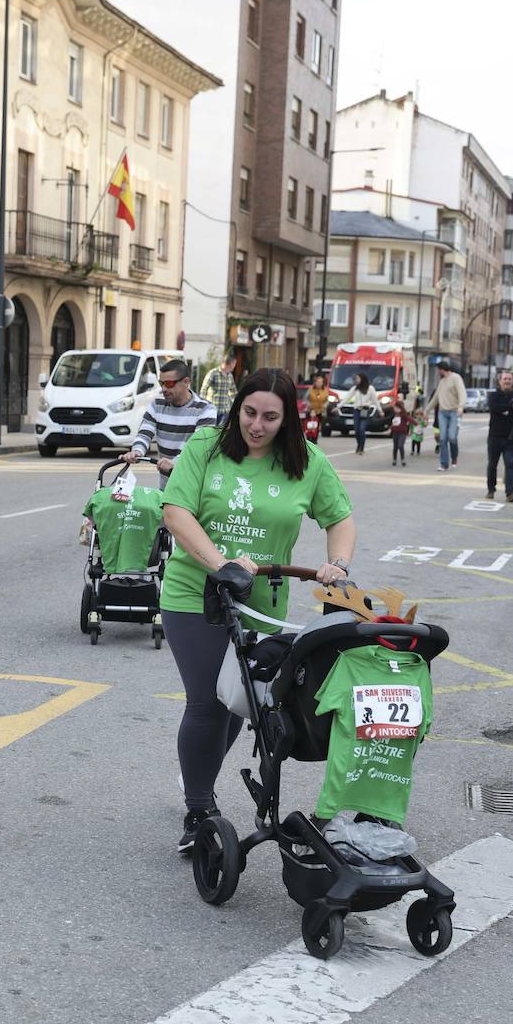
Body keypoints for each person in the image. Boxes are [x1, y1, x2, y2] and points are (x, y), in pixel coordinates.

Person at [160, 368, 355, 852]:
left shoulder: (305, 462)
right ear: (237, 408)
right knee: (207, 700)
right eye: (250, 412)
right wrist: (222, 563)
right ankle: (199, 809)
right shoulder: (206, 446)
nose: (257, 425)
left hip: (262, 605)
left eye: (270, 416)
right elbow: (176, 512)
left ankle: (196, 777)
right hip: (195, 593)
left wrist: (338, 563)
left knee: (238, 704)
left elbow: (341, 519)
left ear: (288, 418)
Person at [120, 358, 216, 489]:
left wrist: (174, 463)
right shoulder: (157, 405)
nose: (164, 389)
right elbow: (144, 433)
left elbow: (199, 446)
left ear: (186, 382)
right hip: (166, 486)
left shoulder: (205, 409)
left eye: (169, 384)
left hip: (194, 486)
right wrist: (137, 451)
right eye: (161, 383)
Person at [486, 369, 513, 503]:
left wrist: (507, 409)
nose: (507, 381)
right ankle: (491, 489)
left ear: (512, 381)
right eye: (505, 379)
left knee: (510, 464)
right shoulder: (493, 396)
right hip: (495, 436)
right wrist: (510, 407)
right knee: (492, 464)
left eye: (509, 379)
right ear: (500, 381)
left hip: (510, 438)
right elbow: (494, 408)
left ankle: (510, 492)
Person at [426, 360, 465, 471]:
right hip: (442, 413)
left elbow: (462, 393)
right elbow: (435, 398)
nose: (438, 372)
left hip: (454, 412)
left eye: (438, 370)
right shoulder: (442, 382)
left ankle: (454, 457)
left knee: (452, 437)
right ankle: (444, 464)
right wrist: (426, 411)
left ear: (442, 369)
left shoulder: (456, 378)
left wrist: (461, 406)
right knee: (442, 439)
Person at [344, 373, 378, 453]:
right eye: (356, 379)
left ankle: (362, 447)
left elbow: (375, 400)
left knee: (362, 429)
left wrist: (380, 410)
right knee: (356, 430)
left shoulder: (370, 388)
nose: (356, 380)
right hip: (356, 410)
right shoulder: (355, 388)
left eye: (358, 379)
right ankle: (359, 444)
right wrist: (338, 406)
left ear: (362, 379)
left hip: (365, 410)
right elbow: (347, 398)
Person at [200, 352, 237, 422]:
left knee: (221, 432)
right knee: (211, 431)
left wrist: (236, 405)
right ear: (231, 363)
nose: (235, 366)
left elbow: (233, 392)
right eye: (234, 363)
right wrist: (202, 405)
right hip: (212, 410)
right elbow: (204, 389)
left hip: (225, 411)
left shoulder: (230, 376)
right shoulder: (213, 373)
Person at [390, 397, 410, 467]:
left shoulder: (404, 415)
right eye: (394, 408)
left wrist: (417, 423)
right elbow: (392, 423)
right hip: (395, 433)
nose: (395, 409)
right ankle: (394, 460)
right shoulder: (393, 415)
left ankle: (403, 459)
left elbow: (410, 419)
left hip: (402, 433)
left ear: (401, 409)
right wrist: (390, 428)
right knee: (395, 447)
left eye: (397, 408)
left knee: (400, 445)